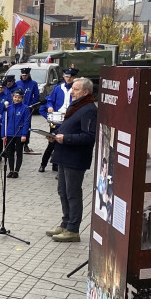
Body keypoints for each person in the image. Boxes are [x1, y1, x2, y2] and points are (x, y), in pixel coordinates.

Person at [47, 78, 97, 242]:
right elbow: (69, 127)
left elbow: (89, 136)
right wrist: (55, 136)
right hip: (64, 155)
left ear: (85, 92)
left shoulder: (89, 109)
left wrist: (65, 138)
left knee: (73, 193)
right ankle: (65, 223)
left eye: (75, 89)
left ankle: (73, 230)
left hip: (75, 158)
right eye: (72, 88)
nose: (71, 91)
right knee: (63, 191)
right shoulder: (76, 105)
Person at [39, 68, 78, 173]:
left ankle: (57, 165)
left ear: (74, 77)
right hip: (56, 119)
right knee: (51, 142)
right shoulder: (58, 88)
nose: (68, 79)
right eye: (66, 76)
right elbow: (50, 100)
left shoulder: (76, 89)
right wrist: (50, 106)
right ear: (63, 77)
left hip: (69, 118)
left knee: (63, 142)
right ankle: (43, 164)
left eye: (71, 77)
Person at [1, 88, 31, 178]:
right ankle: (11, 170)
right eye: (15, 97)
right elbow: (4, 121)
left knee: (19, 152)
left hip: (19, 134)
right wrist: (3, 134)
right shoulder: (8, 108)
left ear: (22, 98)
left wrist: (24, 134)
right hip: (9, 133)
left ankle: (16, 171)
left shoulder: (25, 108)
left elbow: (26, 122)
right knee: (10, 153)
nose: (16, 99)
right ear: (12, 97)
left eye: (19, 97)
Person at [15, 66, 40, 153]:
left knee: (27, 125)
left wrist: (31, 104)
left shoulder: (33, 83)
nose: (24, 76)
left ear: (29, 75)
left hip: (28, 108)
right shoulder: (17, 83)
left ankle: (26, 144)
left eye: (25, 75)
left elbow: (36, 96)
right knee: (16, 124)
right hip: (17, 107)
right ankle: (16, 142)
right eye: (23, 75)